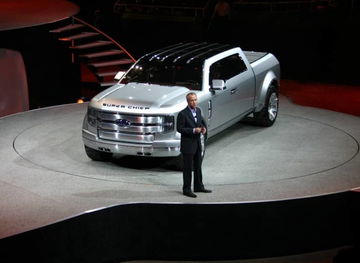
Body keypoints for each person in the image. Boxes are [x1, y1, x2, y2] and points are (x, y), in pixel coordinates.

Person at [177, 92, 212, 198]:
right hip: (188, 145)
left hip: (197, 144)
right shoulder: (182, 114)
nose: (194, 102)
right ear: (188, 101)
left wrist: (202, 128)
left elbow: (199, 123)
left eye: (195, 99)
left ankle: (198, 186)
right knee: (188, 168)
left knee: (198, 166)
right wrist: (193, 130)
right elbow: (179, 128)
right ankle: (186, 189)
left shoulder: (198, 110)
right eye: (192, 100)